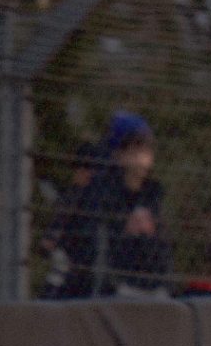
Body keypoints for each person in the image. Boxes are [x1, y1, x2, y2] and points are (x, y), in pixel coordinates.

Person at [57, 111, 172, 297]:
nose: (141, 158)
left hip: (151, 287)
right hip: (113, 287)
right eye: (134, 150)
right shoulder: (101, 193)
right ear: (118, 154)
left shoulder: (152, 194)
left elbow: (161, 247)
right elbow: (93, 246)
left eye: (146, 149)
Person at [39, 139, 110, 299]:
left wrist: (50, 242)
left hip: (77, 269)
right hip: (81, 268)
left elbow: (54, 233)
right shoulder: (86, 196)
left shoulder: (81, 196)